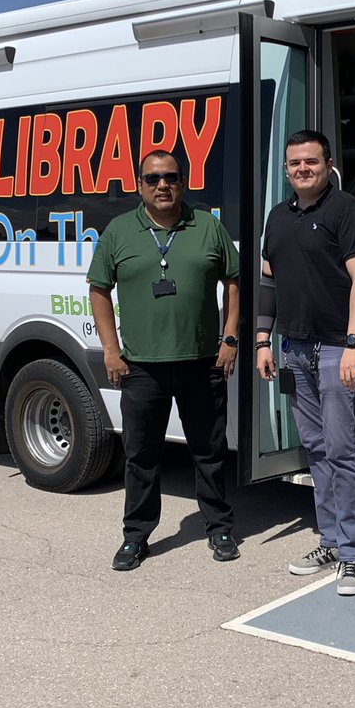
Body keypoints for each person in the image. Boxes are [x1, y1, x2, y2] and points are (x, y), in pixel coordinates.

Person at [88, 149, 241, 570]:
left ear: (183, 182)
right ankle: (136, 536)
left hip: (202, 363)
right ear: (139, 185)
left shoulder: (208, 227)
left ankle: (220, 527)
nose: (162, 185)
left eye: (170, 177)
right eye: (153, 178)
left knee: (208, 453)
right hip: (141, 368)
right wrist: (110, 351)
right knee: (141, 456)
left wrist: (230, 338)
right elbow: (99, 291)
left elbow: (234, 282)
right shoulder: (119, 231)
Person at [256, 130, 355, 596]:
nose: (302, 169)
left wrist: (353, 344)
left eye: (311, 161)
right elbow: (269, 282)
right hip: (294, 347)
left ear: (327, 164)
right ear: (286, 170)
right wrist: (264, 339)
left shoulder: (347, 211)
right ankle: (330, 539)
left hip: (335, 349)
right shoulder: (277, 217)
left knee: (343, 449)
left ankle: (352, 555)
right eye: (294, 164)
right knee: (317, 448)